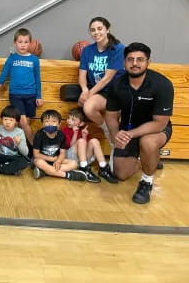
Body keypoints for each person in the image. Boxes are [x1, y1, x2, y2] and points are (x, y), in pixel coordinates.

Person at [105, 42, 173, 204]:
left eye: (140, 59)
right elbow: (110, 116)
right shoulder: (116, 84)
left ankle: (146, 181)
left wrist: (130, 134)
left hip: (155, 130)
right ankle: (151, 160)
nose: (135, 63)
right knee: (121, 174)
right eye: (130, 59)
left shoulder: (162, 85)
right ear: (124, 62)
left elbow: (160, 123)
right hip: (128, 129)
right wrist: (116, 136)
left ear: (148, 62)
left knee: (147, 142)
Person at [0, 28, 43, 144]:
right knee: (23, 122)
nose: (23, 45)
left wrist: (39, 96)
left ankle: (23, 150)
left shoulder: (34, 60)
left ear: (30, 43)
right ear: (15, 43)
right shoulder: (12, 58)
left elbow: (38, 79)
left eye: (26, 42)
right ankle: (35, 148)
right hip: (16, 95)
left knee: (25, 125)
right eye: (20, 42)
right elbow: (3, 76)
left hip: (31, 95)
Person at [78, 17, 125, 151]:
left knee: (117, 124)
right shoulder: (87, 50)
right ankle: (105, 129)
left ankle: (120, 152)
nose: (96, 32)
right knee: (88, 108)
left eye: (99, 29)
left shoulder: (118, 49)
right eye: (93, 30)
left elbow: (107, 78)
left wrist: (89, 94)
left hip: (117, 92)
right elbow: (82, 74)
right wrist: (84, 89)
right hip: (101, 93)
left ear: (107, 29)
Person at [61, 107, 118, 184]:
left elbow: (85, 148)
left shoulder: (82, 131)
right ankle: (83, 168)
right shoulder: (65, 130)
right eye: (68, 118)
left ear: (81, 123)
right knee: (81, 141)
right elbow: (70, 145)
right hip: (71, 158)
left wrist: (84, 136)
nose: (69, 121)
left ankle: (103, 168)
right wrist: (75, 133)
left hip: (82, 159)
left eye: (73, 119)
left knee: (94, 141)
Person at [32, 109, 86, 181]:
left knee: (74, 164)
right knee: (38, 162)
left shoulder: (61, 135)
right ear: (43, 124)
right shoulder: (39, 135)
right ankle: (67, 175)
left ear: (59, 124)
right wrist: (49, 159)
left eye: (54, 121)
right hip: (42, 159)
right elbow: (36, 154)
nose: (50, 124)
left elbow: (63, 153)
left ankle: (45, 172)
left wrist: (58, 161)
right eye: (47, 121)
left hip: (56, 160)